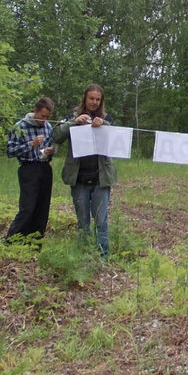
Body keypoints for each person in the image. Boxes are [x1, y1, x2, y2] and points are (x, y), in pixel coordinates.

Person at [52, 84, 117, 257]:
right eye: (91, 98)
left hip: (100, 179)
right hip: (79, 178)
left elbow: (118, 138)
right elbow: (56, 135)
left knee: (101, 221)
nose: (94, 102)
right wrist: (74, 123)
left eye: (98, 99)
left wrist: (104, 125)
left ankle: (102, 258)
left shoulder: (106, 118)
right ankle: (84, 257)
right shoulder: (73, 116)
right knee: (83, 222)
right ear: (85, 98)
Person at [4, 97, 55, 243]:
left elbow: (51, 146)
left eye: (47, 117)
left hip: (45, 168)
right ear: (35, 111)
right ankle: (12, 239)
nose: (44, 120)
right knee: (28, 207)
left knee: (43, 207)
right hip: (28, 169)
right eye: (42, 116)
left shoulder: (48, 127)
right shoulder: (20, 127)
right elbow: (10, 151)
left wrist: (50, 151)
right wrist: (30, 144)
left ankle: (35, 241)